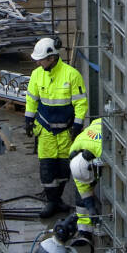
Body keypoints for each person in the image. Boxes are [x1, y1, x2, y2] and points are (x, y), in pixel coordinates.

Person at [24, 37, 88, 218]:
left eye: (41, 59)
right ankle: (51, 201)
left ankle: (57, 199)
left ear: (52, 58)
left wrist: (77, 124)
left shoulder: (71, 75)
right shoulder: (37, 74)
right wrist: (28, 119)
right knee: (46, 168)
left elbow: (80, 103)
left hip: (65, 131)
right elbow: (31, 99)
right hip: (45, 131)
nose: (38, 62)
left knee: (63, 169)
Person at [68, 117, 104, 235]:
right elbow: (83, 188)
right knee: (80, 195)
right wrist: (90, 208)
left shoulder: (102, 151)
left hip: (105, 125)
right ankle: (85, 230)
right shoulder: (75, 161)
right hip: (95, 130)